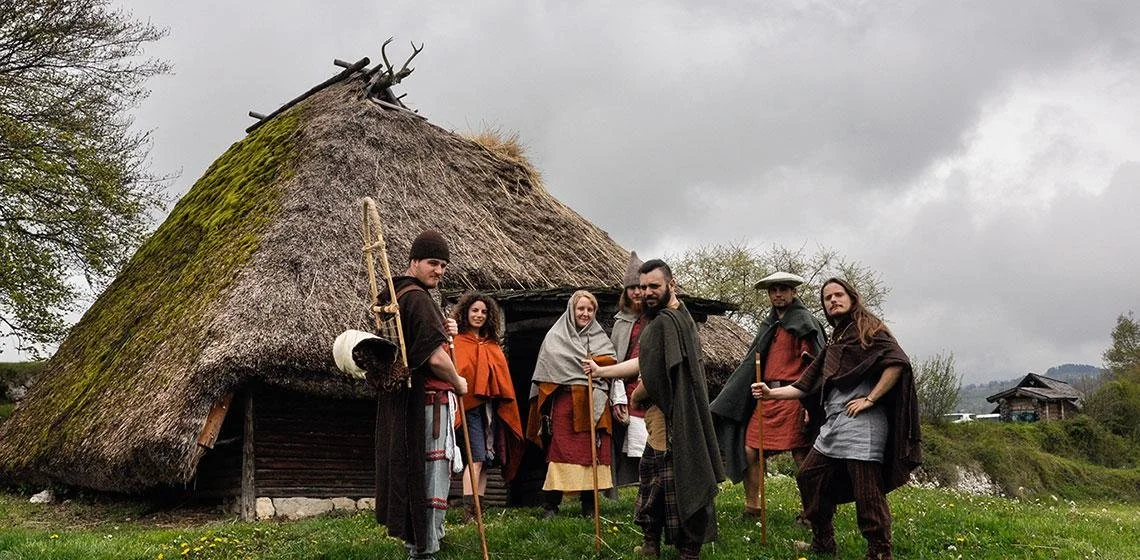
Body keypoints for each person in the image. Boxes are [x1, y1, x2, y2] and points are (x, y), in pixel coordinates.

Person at [753, 277, 921, 560]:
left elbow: (897, 362)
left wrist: (870, 399)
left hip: (863, 425)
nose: (833, 301)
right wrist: (770, 394)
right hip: (835, 424)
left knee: (867, 492)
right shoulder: (835, 339)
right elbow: (805, 384)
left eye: (838, 295)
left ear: (852, 297)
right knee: (809, 476)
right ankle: (823, 541)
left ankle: (880, 551)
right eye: (827, 298)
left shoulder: (869, 328)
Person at [587, 259, 725, 559]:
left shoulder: (666, 322)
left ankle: (685, 550)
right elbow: (647, 362)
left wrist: (637, 395)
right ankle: (655, 543)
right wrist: (602, 371)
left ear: (671, 285)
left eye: (654, 286)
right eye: (642, 287)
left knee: (666, 482)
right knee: (661, 477)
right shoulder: (679, 316)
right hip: (673, 415)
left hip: (670, 418)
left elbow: (656, 373)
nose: (646, 292)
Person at [371, 230, 468, 560]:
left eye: (443, 265)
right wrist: (458, 381)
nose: (439, 271)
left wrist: (445, 326)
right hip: (428, 404)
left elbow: (417, 338)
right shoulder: (418, 298)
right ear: (414, 261)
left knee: (415, 471)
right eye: (433, 263)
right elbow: (435, 358)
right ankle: (425, 549)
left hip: (406, 402)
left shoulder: (397, 294)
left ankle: (422, 542)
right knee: (430, 476)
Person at [710, 271, 827, 519]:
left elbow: (815, 365)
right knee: (750, 450)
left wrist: (810, 403)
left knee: (801, 454)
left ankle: (813, 512)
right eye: (773, 290)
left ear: (794, 292)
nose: (778, 294)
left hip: (795, 396)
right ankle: (753, 507)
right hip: (767, 396)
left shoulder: (805, 323)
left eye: (783, 289)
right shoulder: (769, 324)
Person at [526, 290, 618, 518]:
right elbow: (547, 369)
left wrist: (597, 364)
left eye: (590, 309)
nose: (585, 313)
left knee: (592, 453)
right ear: (571, 310)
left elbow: (611, 364)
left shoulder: (600, 338)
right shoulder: (555, 337)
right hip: (565, 403)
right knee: (561, 452)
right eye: (581, 309)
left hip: (594, 403)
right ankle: (551, 505)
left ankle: (589, 506)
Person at [450, 292, 525, 521]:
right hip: (469, 408)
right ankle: (468, 514)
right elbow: (457, 374)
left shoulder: (492, 345)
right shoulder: (457, 343)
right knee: (476, 458)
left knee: (485, 461)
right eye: (474, 310)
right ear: (466, 312)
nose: (479, 315)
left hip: (490, 409)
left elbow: (501, 379)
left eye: (483, 312)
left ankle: (478, 511)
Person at [608, 251, 648, 490]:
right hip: (627, 388)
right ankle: (639, 488)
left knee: (651, 440)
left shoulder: (656, 317)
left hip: (649, 387)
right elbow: (615, 359)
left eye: (640, 287)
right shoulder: (620, 323)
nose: (636, 292)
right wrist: (617, 396)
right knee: (633, 444)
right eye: (631, 288)